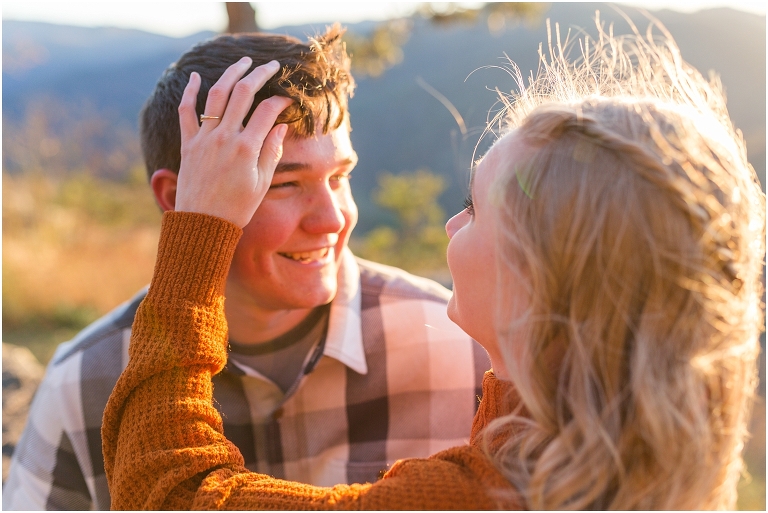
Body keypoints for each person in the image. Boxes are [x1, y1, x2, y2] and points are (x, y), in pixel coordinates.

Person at [101, 17, 765, 510]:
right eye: (283, 182)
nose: (452, 223)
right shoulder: (631, 459)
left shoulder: (486, 495)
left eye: (474, 208)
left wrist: (199, 234)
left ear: (536, 283)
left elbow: (172, 493)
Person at [2, 27, 489, 511]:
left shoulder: (465, 348)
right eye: (283, 184)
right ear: (178, 201)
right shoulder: (86, 379)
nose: (333, 218)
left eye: (340, 177)